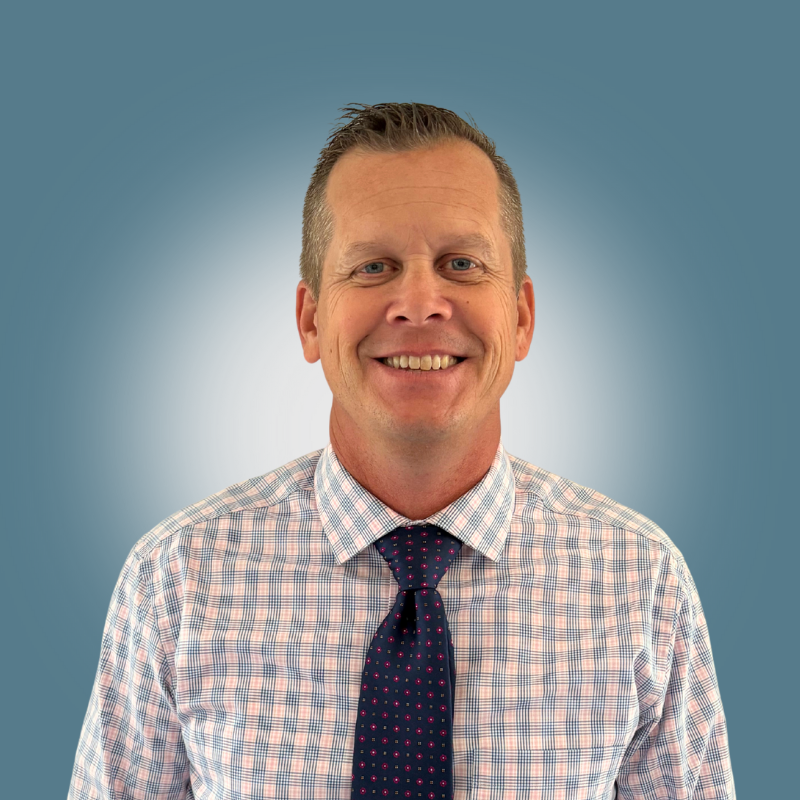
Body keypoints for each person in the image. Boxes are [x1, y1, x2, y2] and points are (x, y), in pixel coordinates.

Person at [68, 103, 735, 799]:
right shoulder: (176, 580)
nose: (419, 303)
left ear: (521, 316)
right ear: (311, 319)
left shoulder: (641, 582)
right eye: (374, 266)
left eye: (462, 263)